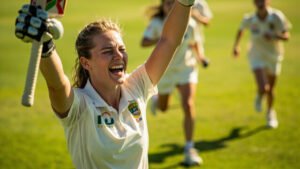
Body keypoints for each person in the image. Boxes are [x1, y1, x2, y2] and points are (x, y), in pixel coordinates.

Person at [14, 0, 194, 168]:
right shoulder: (80, 105)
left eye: (121, 49)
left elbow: (169, 41)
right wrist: (46, 46)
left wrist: (185, 2)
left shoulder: (136, 86)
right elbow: (58, 85)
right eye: (107, 51)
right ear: (86, 63)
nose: (118, 56)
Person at [141, 0, 205, 166]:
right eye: (167, 3)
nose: (170, 6)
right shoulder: (156, 23)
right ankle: (156, 101)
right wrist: (164, 40)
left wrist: (202, 58)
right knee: (163, 108)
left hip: (186, 68)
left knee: (188, 103)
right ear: (162, 6)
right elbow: (144, 41)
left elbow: (195, 42)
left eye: (172, 2)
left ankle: (189, 149)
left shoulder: (189, 22)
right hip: (165, 71)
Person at [232, 0, 291, 129]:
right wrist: (236, 46)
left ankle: (270, 112)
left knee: (271, 88)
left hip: (273, 56)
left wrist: (274, 36)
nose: (260, 2)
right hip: (256, 55)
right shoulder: (250, 19)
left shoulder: (276, 16)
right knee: (264, 87)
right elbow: (240, 30)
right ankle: (260, 95)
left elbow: (286, 35)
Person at [191, 0, 213, 66]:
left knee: (191, 64)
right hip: (179, 38)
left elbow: (207, 22)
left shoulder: (200, 3)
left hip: (196, 39)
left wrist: (197, 16)